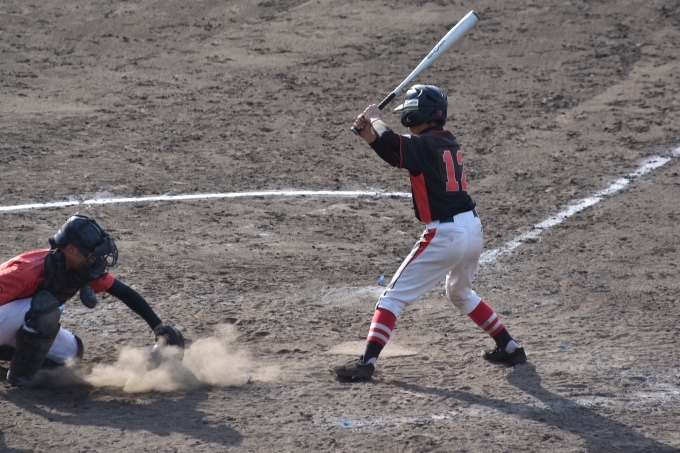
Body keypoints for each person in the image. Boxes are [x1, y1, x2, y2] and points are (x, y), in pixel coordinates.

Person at [329, 85, 526, 380]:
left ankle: (365, 364)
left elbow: (392, 139)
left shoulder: (422, 144)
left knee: (391, 299)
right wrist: (370, 136)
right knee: (461, 293)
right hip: (472, 228)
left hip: (445, 234)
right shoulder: (446, 141)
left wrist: (376, 118)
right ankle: (510, 347)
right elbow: (397, 155)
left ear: (415, 115)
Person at [0, 213, 184, 387]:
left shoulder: (79, 268)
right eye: (91, 254)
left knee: (71, 354)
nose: (95, 260)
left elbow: (123, 292)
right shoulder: (27, 270)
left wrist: (158, 327)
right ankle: (20, 377)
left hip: (15, 323)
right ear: (71, 248)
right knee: (43, 311)